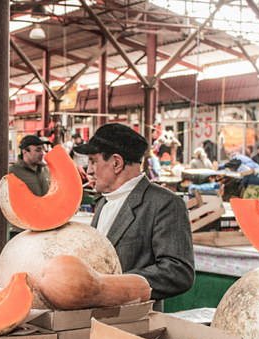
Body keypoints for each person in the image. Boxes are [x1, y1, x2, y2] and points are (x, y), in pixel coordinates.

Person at [74, 123, 194, 306]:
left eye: (93, 161)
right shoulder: (103, 202)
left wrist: (110, 285)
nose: (89, 170)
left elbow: (178, 273)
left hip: (135, 324)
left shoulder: (165, 204)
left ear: (116, 163)